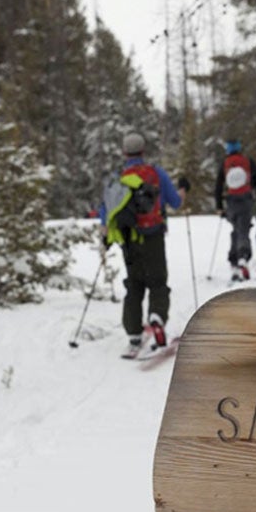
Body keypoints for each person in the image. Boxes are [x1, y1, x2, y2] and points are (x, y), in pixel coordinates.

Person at [101, 130, 188, 359]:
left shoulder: (119, 178)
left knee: (134, 284)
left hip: (129, 239)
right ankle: (157, 317)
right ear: (143, 150)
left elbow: (107, 211)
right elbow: (176, 202)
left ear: (124, 152)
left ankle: (133, 335)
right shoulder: (155, 173)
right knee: (157, 281)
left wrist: (106, 235)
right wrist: (183, 190)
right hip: (153, 235)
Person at [213, 138, 256, 281]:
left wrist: (219, 206)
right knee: (243, 230)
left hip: (231, 201)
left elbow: (218, 186)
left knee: (236, 230)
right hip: (246, 200)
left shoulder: (225, 164)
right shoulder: (248, 161)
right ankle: (243, 257)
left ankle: (233, 259)